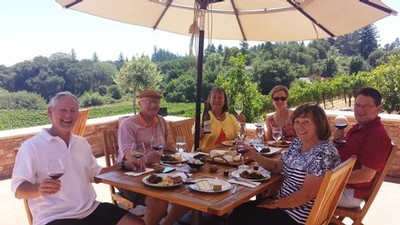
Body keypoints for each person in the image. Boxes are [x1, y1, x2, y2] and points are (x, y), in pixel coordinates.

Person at [11, 91, 144, 225]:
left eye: (73, 111)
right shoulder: (32, 146)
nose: (68, 115)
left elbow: (95, 174)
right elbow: (18, 189)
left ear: (78, 115)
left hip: (90, 209)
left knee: (137, 223)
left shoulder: (81, 143)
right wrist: (38, 189)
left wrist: (121, 165)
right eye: (63, 110)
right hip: (54, 217)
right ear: (50, 112)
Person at [228, 104, 341, 225]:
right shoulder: (298, 143)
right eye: (297, 121)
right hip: (284, 204)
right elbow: (277, 167)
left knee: (240, 215)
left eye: (306, 122)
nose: (299, 126)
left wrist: (275, 204)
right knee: (241, 210)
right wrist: (254, 155)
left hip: (297, 217)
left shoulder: (324, 153)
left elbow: (306, 195)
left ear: (319, 125)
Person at [117, 89, 186, 225]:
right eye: (149, 102)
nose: (153, 105)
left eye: (156, 102)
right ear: (139, 104)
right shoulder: (128, 125)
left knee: (188, 192)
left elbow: (167, 146)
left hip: (158, 171)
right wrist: (145, 159)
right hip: (130, 174)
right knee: (159, 201)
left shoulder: (161, 120)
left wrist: (180, 152)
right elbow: (127, 154)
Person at [333, 87, 391, 208]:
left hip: (350, 192)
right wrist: (337, 141)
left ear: (378, 108)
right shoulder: (360, 127)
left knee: (301, 191)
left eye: (366, 106)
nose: (360, 109)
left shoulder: (376, 135)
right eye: (357, 105)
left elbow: (365, 175)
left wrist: (329, 179)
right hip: (341, 184)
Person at [198, 87, 246, 151]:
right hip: (206, 155)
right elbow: (194, 137)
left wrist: (242, 124)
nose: (217, 100)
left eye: (220, 98)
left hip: (227, 155)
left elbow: (240, 136)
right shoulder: (203, 117)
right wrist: (199, 133)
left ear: (224, 101)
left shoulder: (231, 118)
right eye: (214, 97)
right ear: (209, 100)